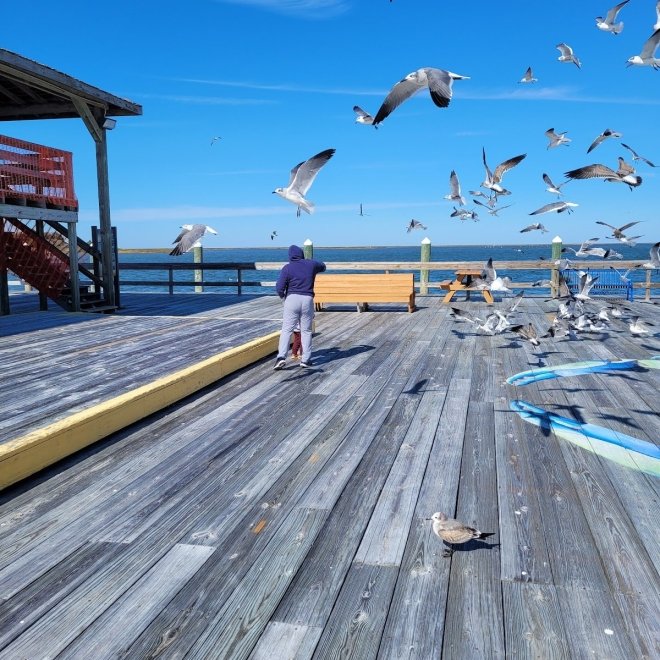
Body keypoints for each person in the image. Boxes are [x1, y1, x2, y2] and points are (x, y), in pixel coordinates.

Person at [274, 244, 326, 369]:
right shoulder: (311, 265)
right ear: (301, 254)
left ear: (290, 256)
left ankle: (281, 357)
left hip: (292, 299)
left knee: (287, 330)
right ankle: (306, 359)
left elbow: (279, 287)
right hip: (307, 299)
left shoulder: (287, 268)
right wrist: (310, 262)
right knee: (306, 331)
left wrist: (283, 297)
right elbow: (323, 266)